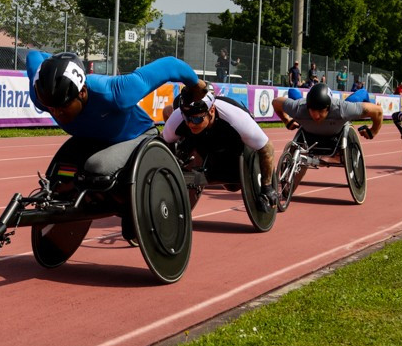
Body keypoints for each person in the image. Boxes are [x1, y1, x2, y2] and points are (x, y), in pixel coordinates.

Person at [27, 50, 206, 243]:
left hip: (136, 137)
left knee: (98, 167)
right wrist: (58, 64)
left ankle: (134, 206)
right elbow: (33, 56)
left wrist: (196, 85)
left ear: (82, 92)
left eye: (62, 107)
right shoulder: (43, 94)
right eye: (51, 109)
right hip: (91, 139)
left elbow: (171, 65)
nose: (57, 113)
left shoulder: (114, 92)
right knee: (60, 173)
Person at [161, 86, 277, 212]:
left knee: (232, 187)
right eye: (186, 118)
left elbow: (267, 147)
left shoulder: (236, 118)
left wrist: (267, 187)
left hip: (233, 144)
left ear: (211, 111)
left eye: (196, 119)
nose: (190, 123)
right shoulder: (177, 119)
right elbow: (163, 146)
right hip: (202, 141)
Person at [272, 82, 383, 156]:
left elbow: (377, 111)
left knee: (360, 95)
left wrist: (373, 131)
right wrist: (287, 121)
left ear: (328, 108)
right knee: (293, 92)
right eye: (313, 110)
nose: (316, 116)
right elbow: (276, 102)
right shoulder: (299, 107)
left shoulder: (343, 109)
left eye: (320, 111)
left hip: (339, 112)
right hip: (304, 106)